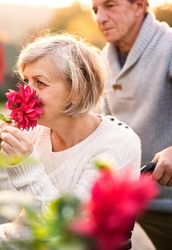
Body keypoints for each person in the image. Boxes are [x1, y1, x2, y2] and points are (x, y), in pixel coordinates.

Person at [0, 34, 141, 250]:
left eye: (40, 83)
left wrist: (25, 166)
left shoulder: (117, 144)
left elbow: (67, 233)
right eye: (26, 81)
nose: (26, 92)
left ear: (77, 90)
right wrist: (2, 162)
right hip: (8, 242)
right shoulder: (34, 131)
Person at [91, 0, 172, 249]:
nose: (100, 18)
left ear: (140, 5)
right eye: (95, 10)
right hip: (133, 200)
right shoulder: (104, 58)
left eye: (110, 6)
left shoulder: (168, 47)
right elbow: (103, 126)